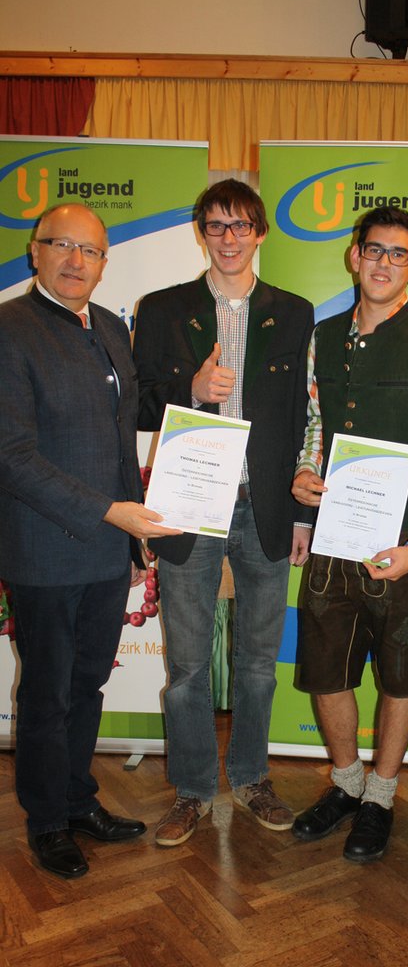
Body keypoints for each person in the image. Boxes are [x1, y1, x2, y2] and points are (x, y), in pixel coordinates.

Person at [0, 203, 181, 879]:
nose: (77, 261)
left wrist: (132, 536)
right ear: (35, 252)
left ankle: (78, 799)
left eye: (92, 251)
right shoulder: (9, 331)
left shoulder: (107, 327)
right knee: (47, 695)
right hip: (44, 551)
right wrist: (112, 512)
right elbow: (12, 456)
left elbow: (119, 438)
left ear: (105, 263)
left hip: (108, 549)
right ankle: (47, 821)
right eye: (63, 245)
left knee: (88, 684)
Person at [133, 179, 314, 846]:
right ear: (201, 233)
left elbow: (305, 417)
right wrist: (191, 388)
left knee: (259, 662)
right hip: (189, 501)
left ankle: (251, 777)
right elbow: (138, 404)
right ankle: (191, 790)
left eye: (241, 225)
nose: (229, 238)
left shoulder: (293, 313)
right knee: (186, 668)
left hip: (264, 507)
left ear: (260, 232)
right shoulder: (163, 309)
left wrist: (303, 517)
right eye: (216, 225)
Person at [291, 206, 408, 863]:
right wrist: (305, 471)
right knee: (326, 670)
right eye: (374, 250)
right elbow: (316, 423)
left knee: (399, 678)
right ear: (354, 255)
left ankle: (382, 797)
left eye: (399, 254)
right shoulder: (322, 336)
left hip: (403, 545)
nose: (384, 263)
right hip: (334, 535)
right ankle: (346, 784)